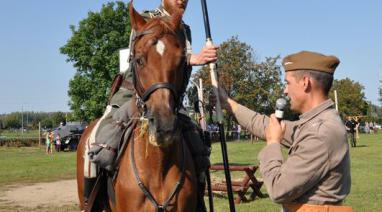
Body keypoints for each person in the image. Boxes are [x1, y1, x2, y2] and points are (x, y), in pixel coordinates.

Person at [83, 0, 218, 210]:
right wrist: (192, 58)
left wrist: (196, 58)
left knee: (199, 149)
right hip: (132, 95)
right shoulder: (145, 19)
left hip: (170, 98)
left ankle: (197, 201)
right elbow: (145, 52)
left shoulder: (185, 29)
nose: (182, 0)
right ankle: (89, 204)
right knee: (96, 139)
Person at [219, 51, 351, 211]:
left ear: (305, 83)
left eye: (287, 83)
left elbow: (278, 189)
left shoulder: (321, 132)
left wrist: (273, 143)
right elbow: (263, 124)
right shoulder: (315, 123)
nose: (285, 91)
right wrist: (228, 104)